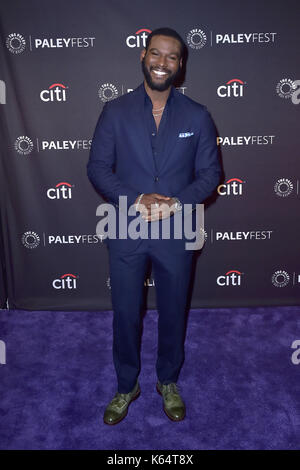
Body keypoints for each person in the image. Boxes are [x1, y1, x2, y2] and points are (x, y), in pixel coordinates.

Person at [87, 27, 221, 425]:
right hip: (127, 225)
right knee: (126, 311)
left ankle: (168, 380)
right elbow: (97, 167)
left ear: (180, 66)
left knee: (173, 311)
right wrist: (137, 199)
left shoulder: (197, 115)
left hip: (176, 229)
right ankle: (126, 385)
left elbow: (210, 174)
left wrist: (177, 203)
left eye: (172, 57)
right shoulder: (115, 111)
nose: (162, 63)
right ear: (143, 56)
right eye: (156, 54)